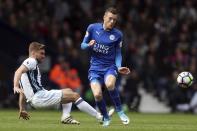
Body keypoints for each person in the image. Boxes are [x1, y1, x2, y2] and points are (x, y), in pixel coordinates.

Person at [13, 42, 104, 125]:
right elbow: (17, 72)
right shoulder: (31, 61)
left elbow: (22, 91)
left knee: (68, 91)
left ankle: (66, 116)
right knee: (75, 96)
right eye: (41, 53)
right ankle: (99, 116)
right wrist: (15, 86)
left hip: (37, 99)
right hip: (39, 97)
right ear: (33, 53)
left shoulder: (26, 73)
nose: (44, 56)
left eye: (44, 53)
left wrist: (22, 109)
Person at [81, 7, 130, 126]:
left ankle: (120, 112)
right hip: (95, 69)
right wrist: (88, 45)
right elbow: (82, 45)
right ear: (104, 17)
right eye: (110, 19)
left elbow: (118, 53)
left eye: (115, 20)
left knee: (110, 84)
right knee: (97, 94)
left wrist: (118, 67)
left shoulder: (118, 34)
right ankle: (106, 118)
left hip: (110, 67)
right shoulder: (92, 28)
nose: (112, 21)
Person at [49, 56, 82, 121]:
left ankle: (76, 106)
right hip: (60, 88)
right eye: (62, 63)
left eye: (65, 63)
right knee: (64, 88)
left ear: (68, 64)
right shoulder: (57, 69)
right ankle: (66, 109)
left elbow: (77, 83)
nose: (63, 64)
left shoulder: (72, 71)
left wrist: (68, 72)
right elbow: (53, 79)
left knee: (78, 88)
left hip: (71, 88)